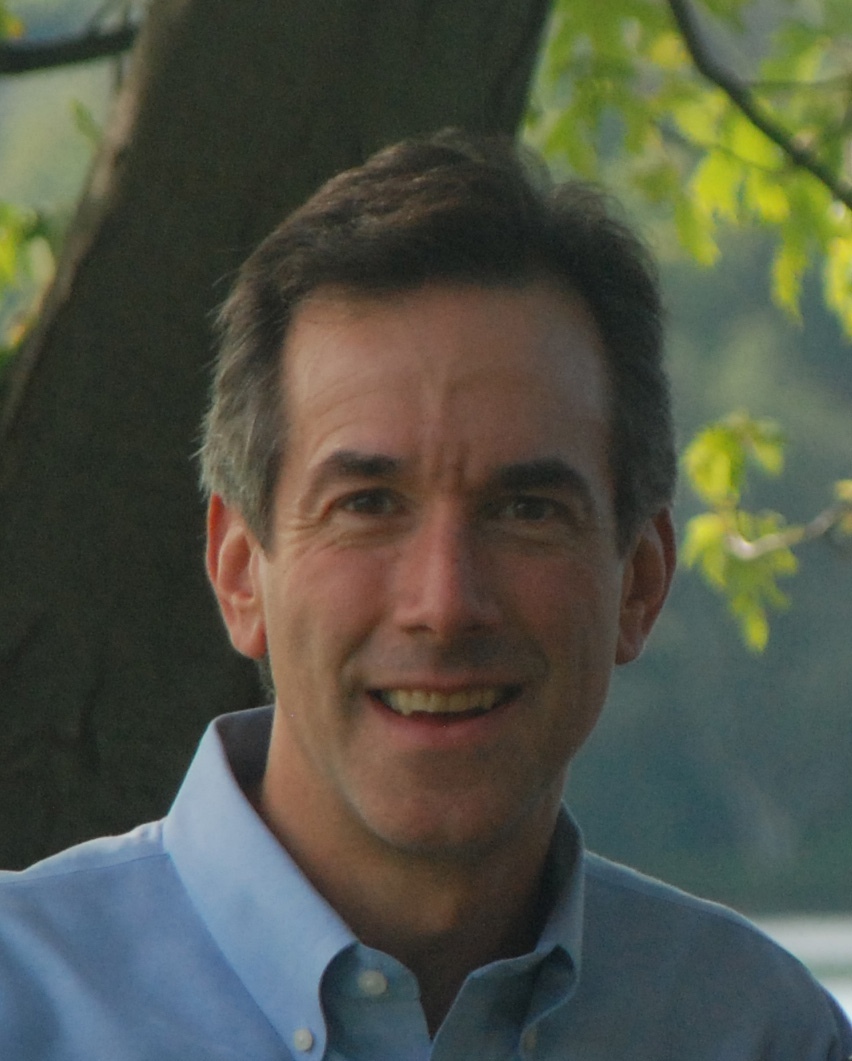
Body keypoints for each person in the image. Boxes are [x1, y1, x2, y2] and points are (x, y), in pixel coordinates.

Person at [0, 131, 849, 1061]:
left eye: (526, 509)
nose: (444, 604)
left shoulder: (764, 1035)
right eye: (367, 504)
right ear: (240, 570)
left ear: (640, 581)